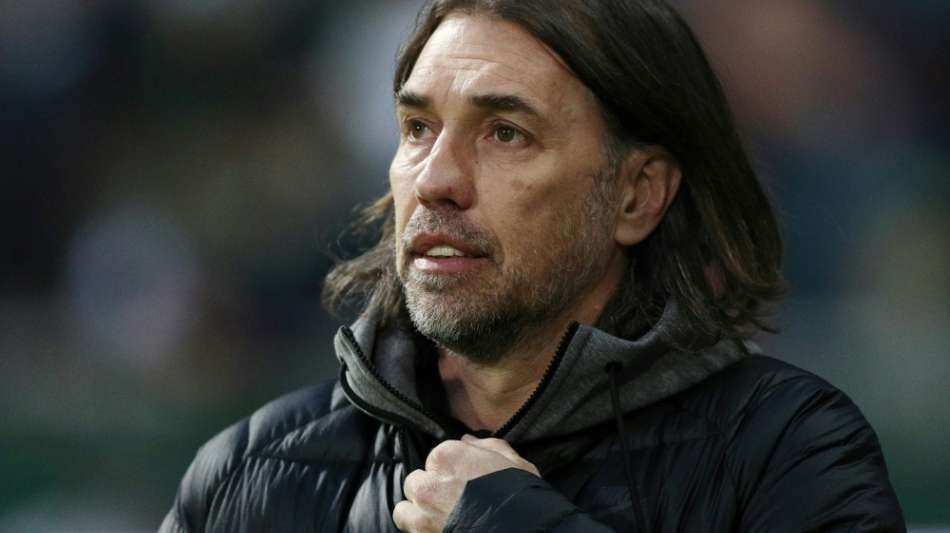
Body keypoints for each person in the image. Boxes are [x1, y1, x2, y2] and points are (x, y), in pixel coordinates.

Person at [161, 1, 906, 531]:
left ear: (637, 195)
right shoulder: (250, 475)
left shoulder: (789, 452)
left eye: (506, 133)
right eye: (417, 127)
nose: (436, 178)